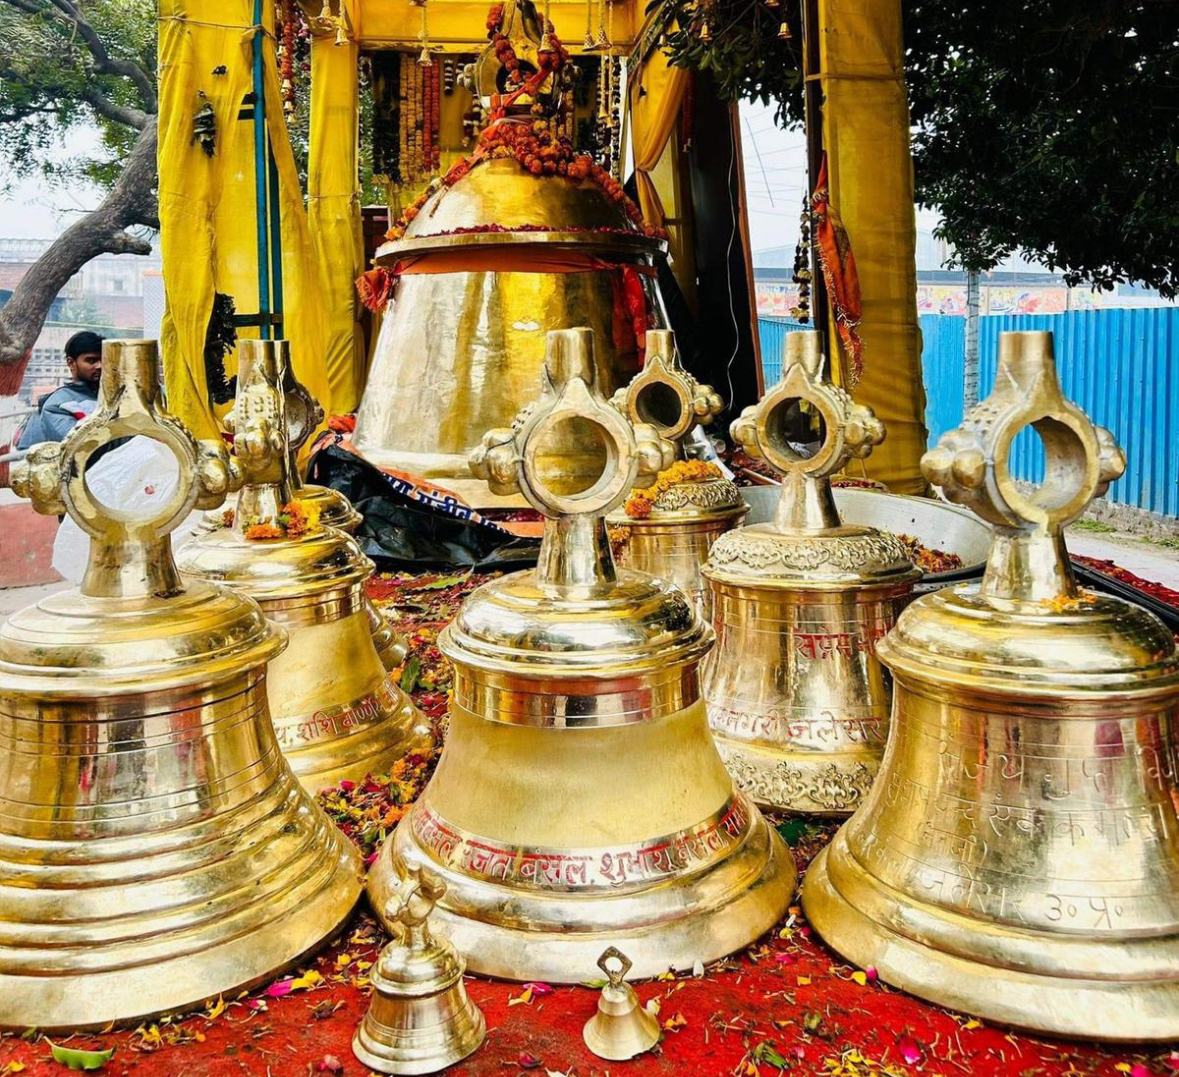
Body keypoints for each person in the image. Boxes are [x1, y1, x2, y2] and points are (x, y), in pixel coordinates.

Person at [18, 331, 104, 448]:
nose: (100, 366)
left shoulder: (111, 396)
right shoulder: (57, 405)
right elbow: (82, 446)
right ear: (71, 363)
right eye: (91, 361)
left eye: (103, 360)